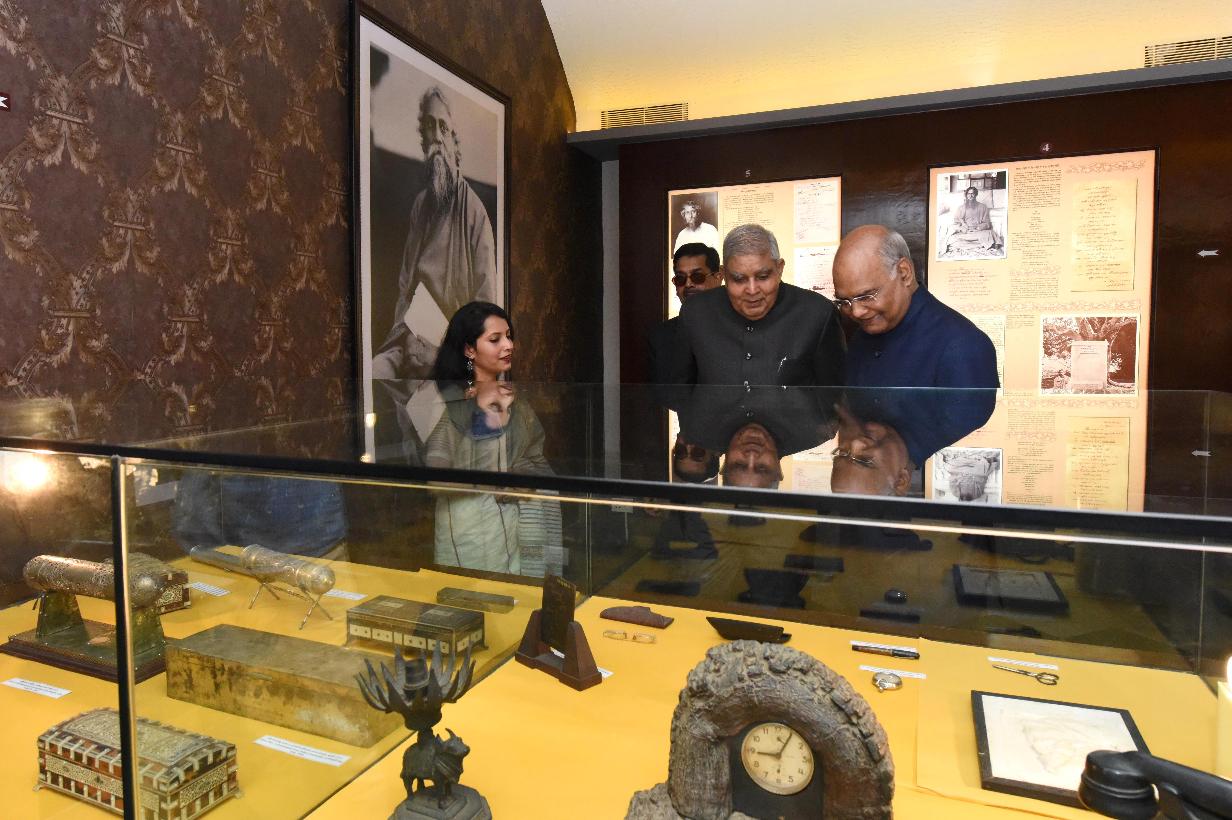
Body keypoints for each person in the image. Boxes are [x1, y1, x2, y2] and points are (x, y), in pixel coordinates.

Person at [425, 302, 562, 577]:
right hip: (469, 528)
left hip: (515, 524)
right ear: (470, 350)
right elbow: (436, 480)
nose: (508, 345)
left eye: (509, 336)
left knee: (519, 596)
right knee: (474, 596)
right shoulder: (452, 403)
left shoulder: (515, 399)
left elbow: (533, 456)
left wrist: (522, 480)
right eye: (495, 339)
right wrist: (495, 479)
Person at [372, 87, 498, 380]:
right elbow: (405, 286)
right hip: (409, 341)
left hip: (454, 353)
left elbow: (485, 311)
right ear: (423, 138)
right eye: (430, 126)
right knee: (375, 373)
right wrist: (407, 339)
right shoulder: (420, 206)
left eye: (443, 128)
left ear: (454, 142)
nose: (437, 137)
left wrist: (442, 352)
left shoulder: (474, 213)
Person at [672, 224, 845, 386]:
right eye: (739, 279)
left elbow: (834, 395)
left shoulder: (817, 313)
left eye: (763, 277)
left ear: (779, 268)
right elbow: (679, 391)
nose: (752, 290)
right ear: (724, 274)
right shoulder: (696, 314)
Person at [832, 225, 998, 388]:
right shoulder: (861, 337)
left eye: (866, 296)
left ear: (904, 273)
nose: (856, 312)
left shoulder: (962, 345)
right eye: (844, 302)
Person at [648, 243, 722, 383]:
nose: (688, 284)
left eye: (697, 277)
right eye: (680, 279)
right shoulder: (661, 336)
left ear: (718, 277)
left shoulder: (739, 329)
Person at [943, 186, 1001, 255]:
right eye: (968, 194)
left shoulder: (983, 207)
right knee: (952, 238)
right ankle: (983, 244)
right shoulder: (960, 208)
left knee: (990, 233)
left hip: (978, 232)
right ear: (966, 195)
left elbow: (987, 223)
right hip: (966, 232)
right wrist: (962, 229)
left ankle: (974, 245)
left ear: (976, 195)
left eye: (972, 193)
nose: (970, 196)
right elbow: (956, 223)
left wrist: (979, 228)